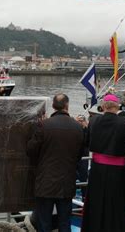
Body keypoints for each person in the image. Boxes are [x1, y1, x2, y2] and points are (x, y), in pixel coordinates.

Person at [26, 94, 84, 232]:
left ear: (53, 106)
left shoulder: (44, 125)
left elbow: (30, 150)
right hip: (67, 182)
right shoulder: (77, 127)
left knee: (44, 223)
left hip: (45, 182)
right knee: (65, 222)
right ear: (67, 106)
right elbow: (79, 155)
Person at [81, 94, 125, 232]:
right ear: (118, 107)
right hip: (119, 172)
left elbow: (86, 142)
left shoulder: (93, 121)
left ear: (103, 106)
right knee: (116, 205)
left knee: (97, 203)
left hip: (97, 170)